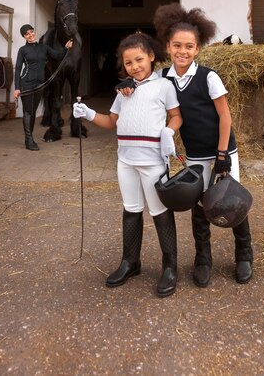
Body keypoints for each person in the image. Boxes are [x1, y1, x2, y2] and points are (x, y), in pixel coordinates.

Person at [73, 32, 183, 297]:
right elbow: (111, 122)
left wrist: (169, 131)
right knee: (131, 210)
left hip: (153, 162)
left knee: (159, 212)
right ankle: (130, 262)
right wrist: (87, 113)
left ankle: (170, 267)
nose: (135, 66)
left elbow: (176, 116)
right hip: (126, 161)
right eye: (129, 63)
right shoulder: (124, 90)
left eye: (139, 60)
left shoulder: (164, 86)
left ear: (152, 57)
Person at [153, 3, 254, 285]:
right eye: (177, 46)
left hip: (222, 151)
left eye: (189, 46)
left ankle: (244, 255)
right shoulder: (162, 78)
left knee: (232, 202)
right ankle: (203, 258)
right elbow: (141, 84)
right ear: (167, 46)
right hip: (195, 154)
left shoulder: (208, 76)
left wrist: (223, 154)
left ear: (197, 49)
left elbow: (225, 114)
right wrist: (125, 83)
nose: (182, 51)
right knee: (199, 208)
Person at [14, 24, 72, 151]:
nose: (30, 35)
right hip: (27, 84)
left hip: (40, 84)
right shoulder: (23, 50)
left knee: (33, 112)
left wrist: (66, 48)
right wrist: (17, 88)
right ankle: (29, 140)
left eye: (31, 32)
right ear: (24, 37)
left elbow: (57, 56)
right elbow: (18, 69)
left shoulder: (44, 47)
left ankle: (28, 138)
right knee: (28, 112)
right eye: (27, 34)